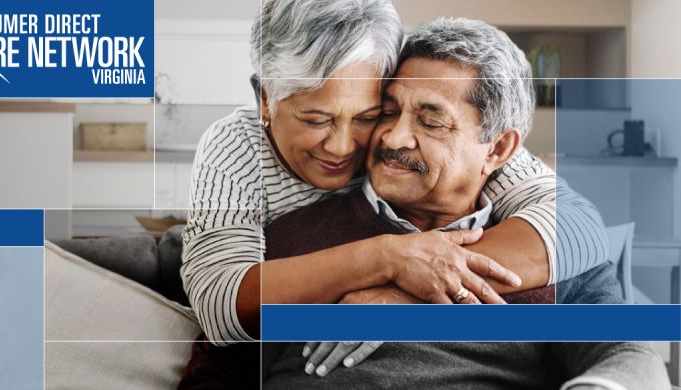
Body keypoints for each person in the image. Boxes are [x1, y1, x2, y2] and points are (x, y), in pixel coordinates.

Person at [180, 0, 608, 379]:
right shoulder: (239, 152)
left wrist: (408, 289)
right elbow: (221, 310)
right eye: (316, 120)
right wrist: (387, 257)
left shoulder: (490, 175)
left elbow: (581, 227)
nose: (345, 146)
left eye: (369, 115)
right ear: (266, 100)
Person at [258, 17, 670, 389]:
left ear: (497, 149)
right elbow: (220, 368)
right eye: (388, 110)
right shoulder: (291, 235)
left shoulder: (553, 257)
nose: (394, 137)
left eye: (431, 120)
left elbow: (631, 356)